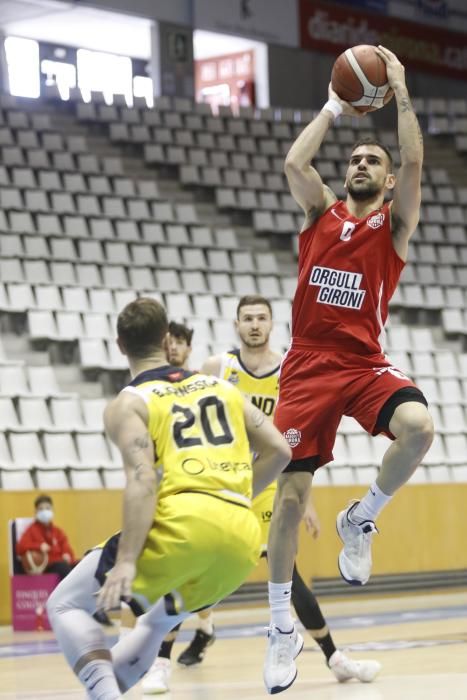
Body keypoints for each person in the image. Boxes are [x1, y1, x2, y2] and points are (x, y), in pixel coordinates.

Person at [263, 45, 434, 694]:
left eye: (373, 160)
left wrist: (398, 88)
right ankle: (282, 626)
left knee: (418, 426)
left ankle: (361, 517)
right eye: (355, 158)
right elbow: (292, 161)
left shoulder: (394, 227)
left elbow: (415, 157)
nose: (361, 162)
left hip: (361, 362)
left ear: (389, 182)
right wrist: (336, 105)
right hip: (306, 366)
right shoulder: (319, 213)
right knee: (286, 503)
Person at [46, 297, 291, 700]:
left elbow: (142, 480)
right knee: (156, 626)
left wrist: (126, 561)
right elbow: (281, 451)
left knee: (64, 606)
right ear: (165, 339)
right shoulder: (219, 386)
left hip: (185, 524)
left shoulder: (129, 403)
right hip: (241, 539)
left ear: (120, 345)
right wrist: (234, 498)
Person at [144, 295, 380, 694]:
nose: (254, 324)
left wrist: (307, 502)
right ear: (236, 325)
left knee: (288, 572)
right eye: (247, 318)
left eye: (261, 318)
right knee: (189, 565)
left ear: (273, 324)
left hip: (271, 482)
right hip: (225, 483)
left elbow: (302, 437)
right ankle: (161, 662)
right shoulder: (217, 368)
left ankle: (334, 657)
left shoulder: (291, 368)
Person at [16, 494, 75, 580]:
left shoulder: (58, 531)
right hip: (47, 567)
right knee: (63, 567)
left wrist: (67, 555)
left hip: (62, 563)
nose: (44, 511)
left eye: (47, 508)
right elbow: (20, 547)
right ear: (36, 512)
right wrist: (39, 546)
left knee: (80, 565)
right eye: (41, 509)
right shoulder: (31, 530)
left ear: (52, 511)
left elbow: (67, 548)